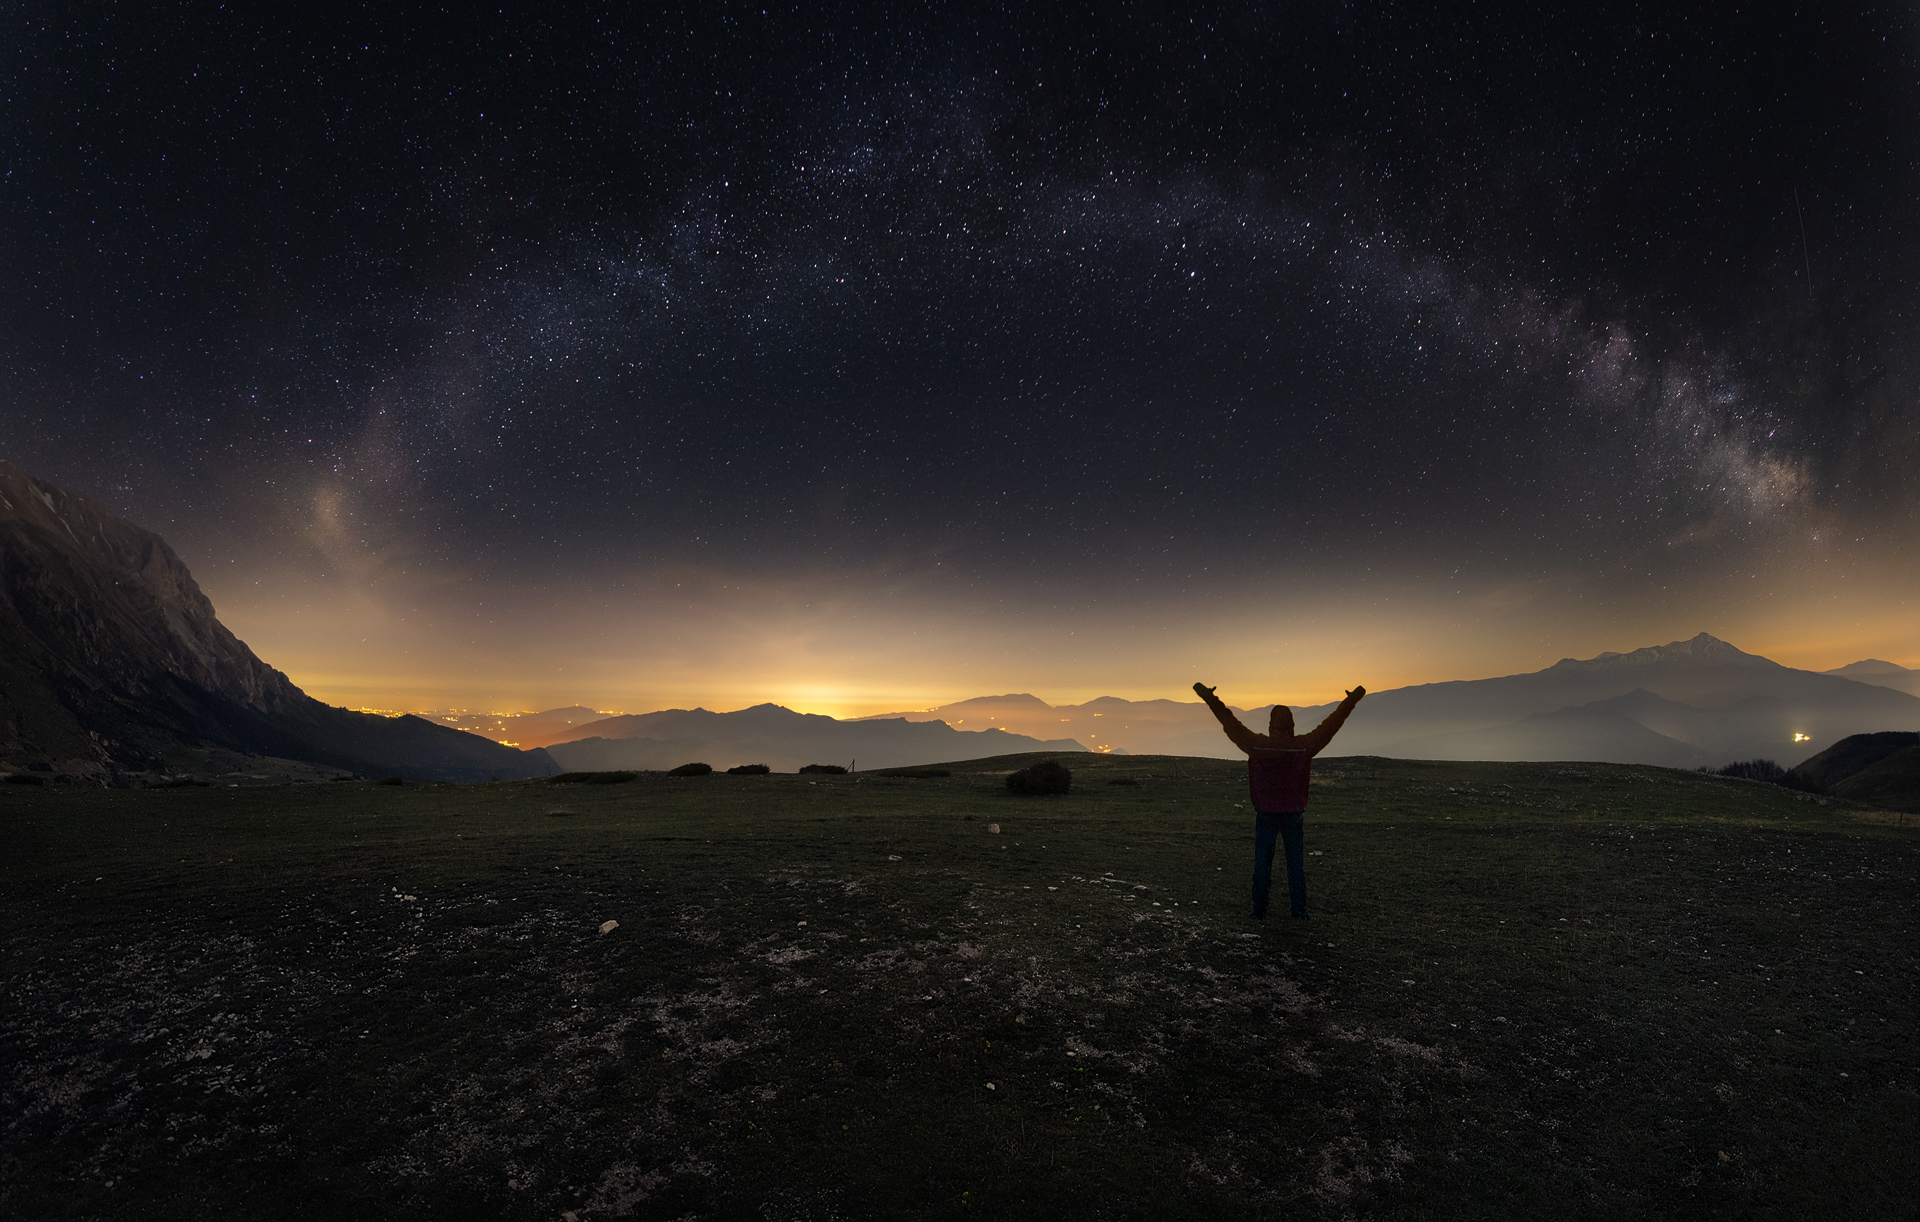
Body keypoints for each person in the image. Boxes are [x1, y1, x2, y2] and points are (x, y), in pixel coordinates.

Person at [1193, 681, 1365, 920]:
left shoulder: (1257, 745)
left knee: (1262, 865)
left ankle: (1259, 910)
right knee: (1295, 865)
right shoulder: (1303, 747)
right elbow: (1331, 725)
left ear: (1271, 725)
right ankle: (1299, 912)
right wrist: (1351, 700)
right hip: (1293, 814)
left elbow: (1229, 722)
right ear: (1292, 725)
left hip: (1265, 814)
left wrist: (1208, 697)